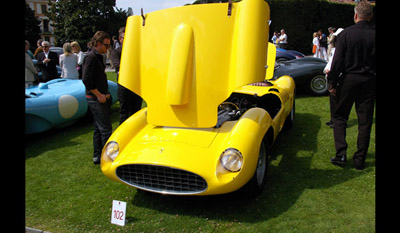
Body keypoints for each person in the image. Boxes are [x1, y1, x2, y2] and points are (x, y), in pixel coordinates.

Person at [327, 0, 375, 170]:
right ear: (371, 16)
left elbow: (337, 61)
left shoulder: (346, 34)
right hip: (369, 81)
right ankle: (360, 159)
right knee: (365, 121)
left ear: (355, 15)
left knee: (339, 117)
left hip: (348, 79)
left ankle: (341, 154)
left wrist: (331, 81)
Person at [82, 31, 113, 165]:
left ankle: (97, 156)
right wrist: (99, 95)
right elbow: (86, 79)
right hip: (95, 98)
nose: (108, 49)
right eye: (106, 45)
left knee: (98, 127)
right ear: (98, 43)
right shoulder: (91, 57)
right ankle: (107, 158)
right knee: (106, 129)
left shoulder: (98, 56)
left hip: (98, 96)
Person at [111, 27, 143, 124]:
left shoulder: (137, 51)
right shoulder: (116, 52)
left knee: (136, 112)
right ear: (120, 39)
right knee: (124, 113)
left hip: (136, 85)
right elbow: (118, 66)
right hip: (124, 86)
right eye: (125, 38)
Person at [323, 28, 344, 128]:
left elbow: (337, 64)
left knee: (336, 99)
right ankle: (333, 119)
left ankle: (337, 120)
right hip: (331, 75)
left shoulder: (341, 51)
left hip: (337, 77)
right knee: (333, 100)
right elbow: (330, 63)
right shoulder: (334, 50)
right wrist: (326, 70)